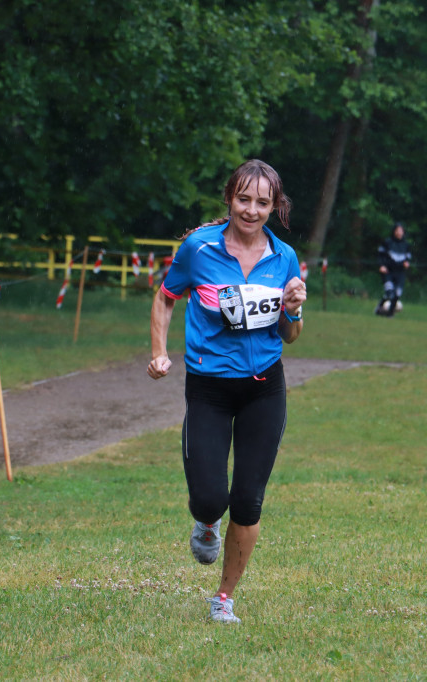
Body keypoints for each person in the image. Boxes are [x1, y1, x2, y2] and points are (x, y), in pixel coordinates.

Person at [147, 159, 306, 624]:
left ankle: (224, 598)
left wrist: (293, 310)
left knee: (249, 499)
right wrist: (159, 352)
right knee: (211, 497)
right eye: (243, 199)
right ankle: (206, 520)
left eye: (262, 202)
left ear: (275, 206)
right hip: (209, 387)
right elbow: (164, 297)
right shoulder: (198, 249)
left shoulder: (285, 258)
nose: (251, 210)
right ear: (228, 199)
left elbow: (291, 336)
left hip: (264, 388)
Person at [374, 222, 412, 316]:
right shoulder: (388, 242)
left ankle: (389, 313)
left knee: (397, 294)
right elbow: (380, 255)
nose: (399, 232)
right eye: (397, 230)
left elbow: (408, 257)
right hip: (388, 271)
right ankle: (381, 309)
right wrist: (381, 265)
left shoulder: (406, 245)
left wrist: (407, 262)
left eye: (401, 231)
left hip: (400, 273)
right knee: (390, 293)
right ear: (394, 231)